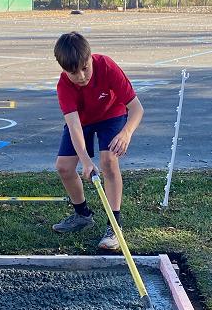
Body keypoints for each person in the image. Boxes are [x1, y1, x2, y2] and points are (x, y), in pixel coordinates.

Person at [51, 31, 144, 251]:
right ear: (64, 70)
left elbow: (136, 108)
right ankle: (82, 215)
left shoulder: (106, 66)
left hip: (111, 114)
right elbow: (74, 126)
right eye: (73, 73)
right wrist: (85, 160)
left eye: (85, 68)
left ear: (90, 58)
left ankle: (114, 226)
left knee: (108, 161)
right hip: (82, 121)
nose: (81, 76)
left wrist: (126, 133)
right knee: (64, 167)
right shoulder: (64, 86)